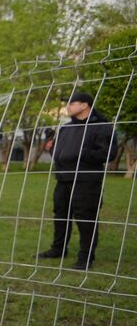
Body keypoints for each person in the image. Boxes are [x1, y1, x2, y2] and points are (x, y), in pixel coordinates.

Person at [37, 91, 116, 270]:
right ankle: (58, 249)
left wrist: (84, 154)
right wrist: (51, 147)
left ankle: (86, 257)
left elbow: (109, 153)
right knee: (61, 214)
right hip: (63, 178)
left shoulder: (101, 126)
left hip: (86, 179)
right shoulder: (66, 128)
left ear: (84, 105)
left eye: (72, 103)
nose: (68, 106)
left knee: (86, 217)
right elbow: (60, 153)